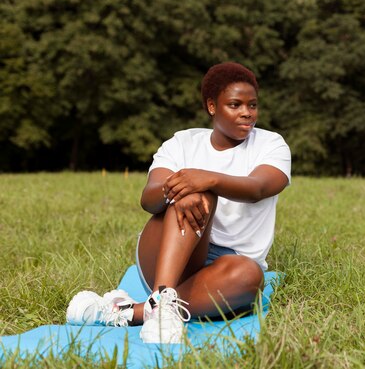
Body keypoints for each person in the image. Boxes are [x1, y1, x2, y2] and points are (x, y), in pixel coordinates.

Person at [66, 62, 291, 343]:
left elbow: (258, 187)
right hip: (167, 254)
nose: (247, 113)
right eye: (235, 105)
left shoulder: (271, 144)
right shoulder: (182, 142)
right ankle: (162, 301)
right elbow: (149, 198)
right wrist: (183, 190)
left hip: (229, 268)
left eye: (253, 105)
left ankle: (133, 311)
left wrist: (205, 178)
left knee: (249, 276)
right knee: (196, 195)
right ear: (212, 106)